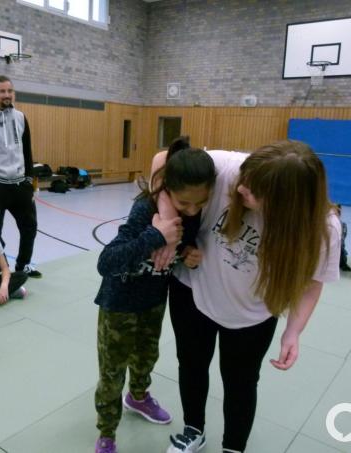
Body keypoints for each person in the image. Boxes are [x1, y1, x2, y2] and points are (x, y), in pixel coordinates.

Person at [151, 140, 341, 453]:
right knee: (191, 365)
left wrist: (294, 331)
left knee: (240, 382)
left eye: (252, 191)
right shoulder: (231, 169)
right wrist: (168, 228)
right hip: (194, 292)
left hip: (252, 313)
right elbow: (162, 160)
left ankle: (234, 447)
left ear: (284, 202)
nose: (240, 190)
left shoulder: (322, 228)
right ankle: (193, 429)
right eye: (244, 181)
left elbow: (312, 283)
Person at [93, 138, 216, 453]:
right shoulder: (144, 211)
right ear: (167, 189)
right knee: (111, 372)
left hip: (153, 303)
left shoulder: (192, 215)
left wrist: (188, 251)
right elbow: (106, 262)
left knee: (146, 359)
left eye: (198, 204)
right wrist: (155, 236)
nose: (191, 210)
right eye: (184, 202)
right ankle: (107, 432)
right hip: (118, 304)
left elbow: (185, 244)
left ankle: (138, 397)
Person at [0, 74, 42, 279]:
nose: (7, 95)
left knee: (29, 227)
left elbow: (27, 151)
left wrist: (29, 180)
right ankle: (0, 269)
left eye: (10, 91)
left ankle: (23, 265)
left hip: (21, 185)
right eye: (2, 91)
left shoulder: (20, 117)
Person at [331, 203, 351, 271]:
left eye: (335, 213)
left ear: (339, 214)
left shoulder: (343, 225)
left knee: (341, 249)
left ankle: (343, 264)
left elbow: (341, 241)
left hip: (337, 248)